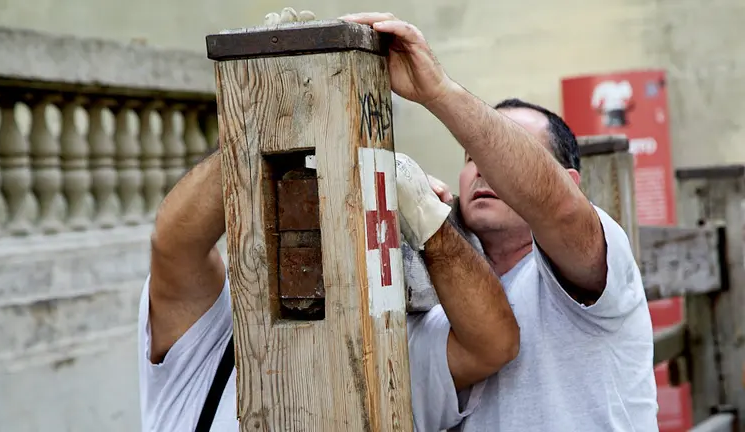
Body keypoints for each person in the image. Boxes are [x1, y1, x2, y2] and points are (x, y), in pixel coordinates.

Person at [138, 8, 521, 432]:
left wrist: (429, 222)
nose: (304, 229)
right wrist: (263, 108)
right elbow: (175, 244)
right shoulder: (220, 326)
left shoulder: (391, 340)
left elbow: (493, 344)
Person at [336, 11, 659, 431]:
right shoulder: (434, 289)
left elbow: (558, 209)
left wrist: (437, 92)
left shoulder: (597, 260)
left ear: (570, 183)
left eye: (502, 157)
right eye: (471, 158)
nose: (483, 170)